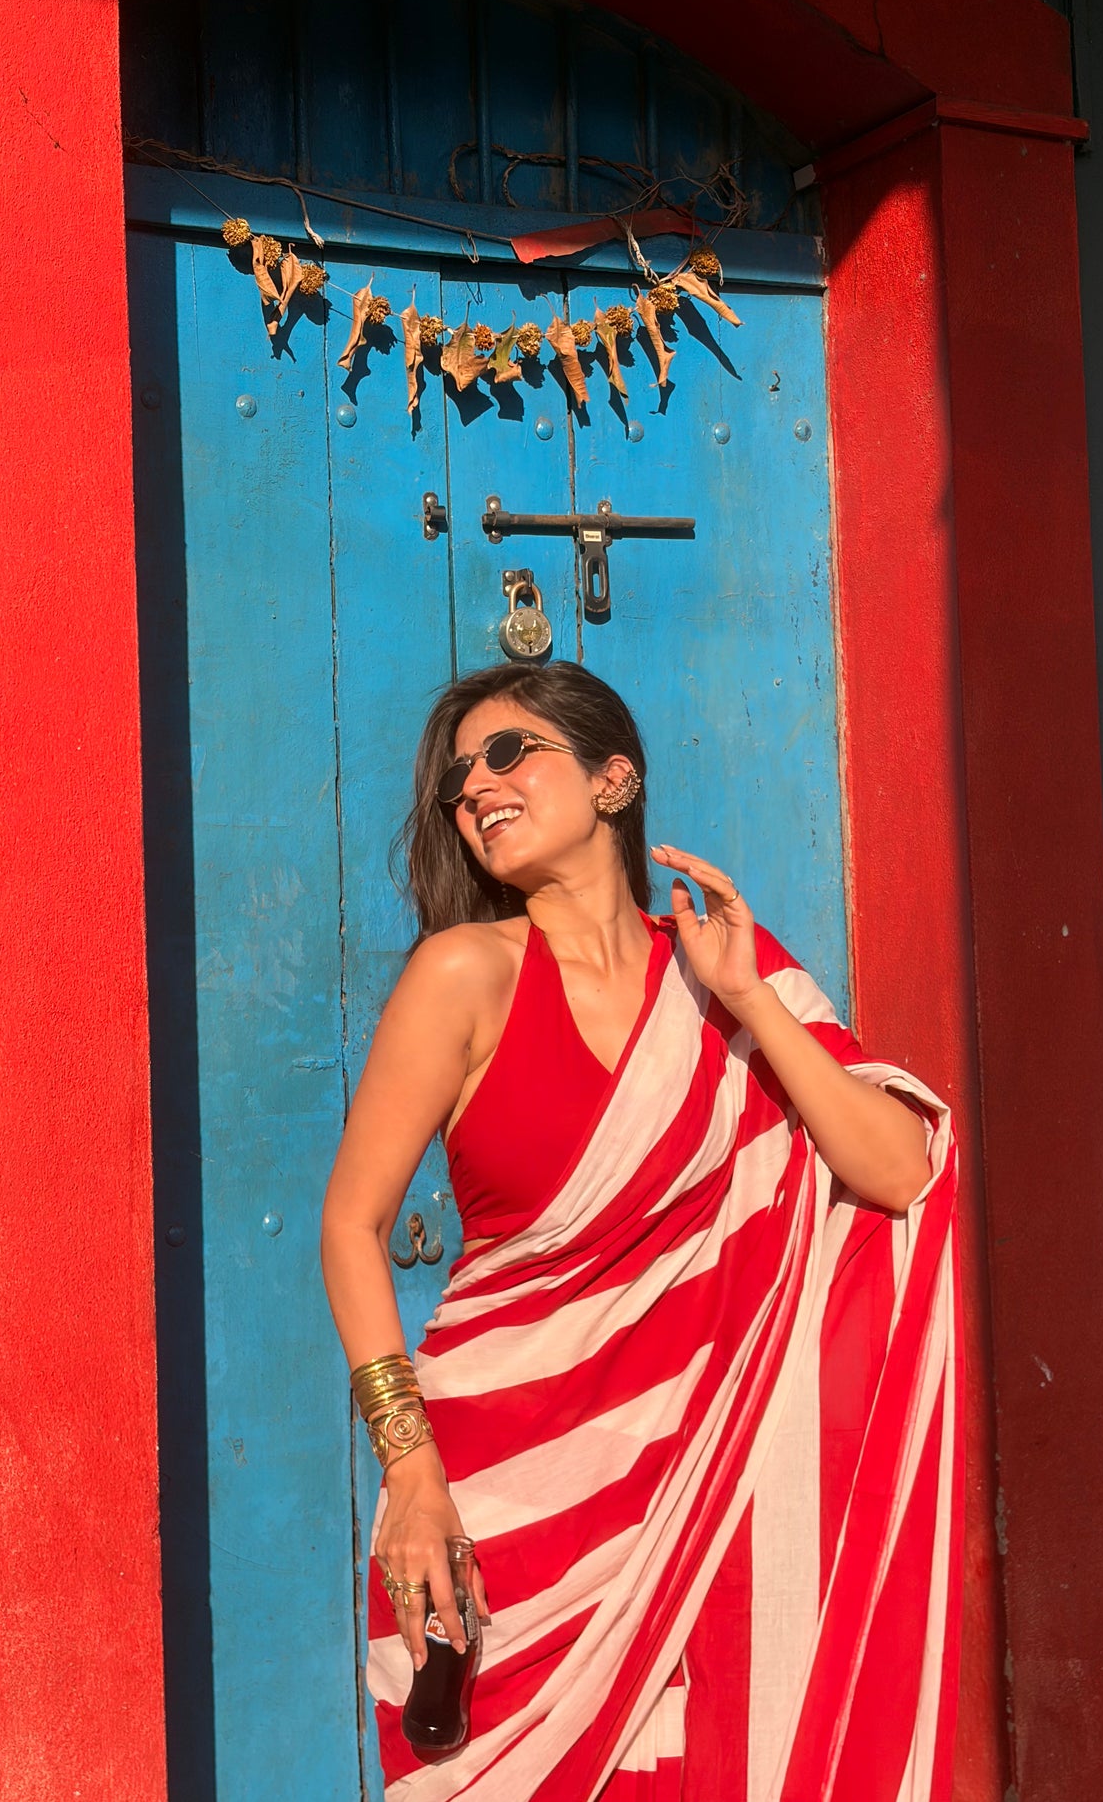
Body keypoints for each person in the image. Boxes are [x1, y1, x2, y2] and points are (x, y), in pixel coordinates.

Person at [321, 661, 962, 1801]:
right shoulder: (463, 973)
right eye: (458, 780)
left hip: (705, 1499)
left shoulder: (722, 978)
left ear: (612, 778)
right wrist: (409, 1470)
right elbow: (349, 1224)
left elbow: (899, 1172)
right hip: (502, 1496)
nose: (476, 788)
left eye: (508, 753)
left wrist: (749, 998)